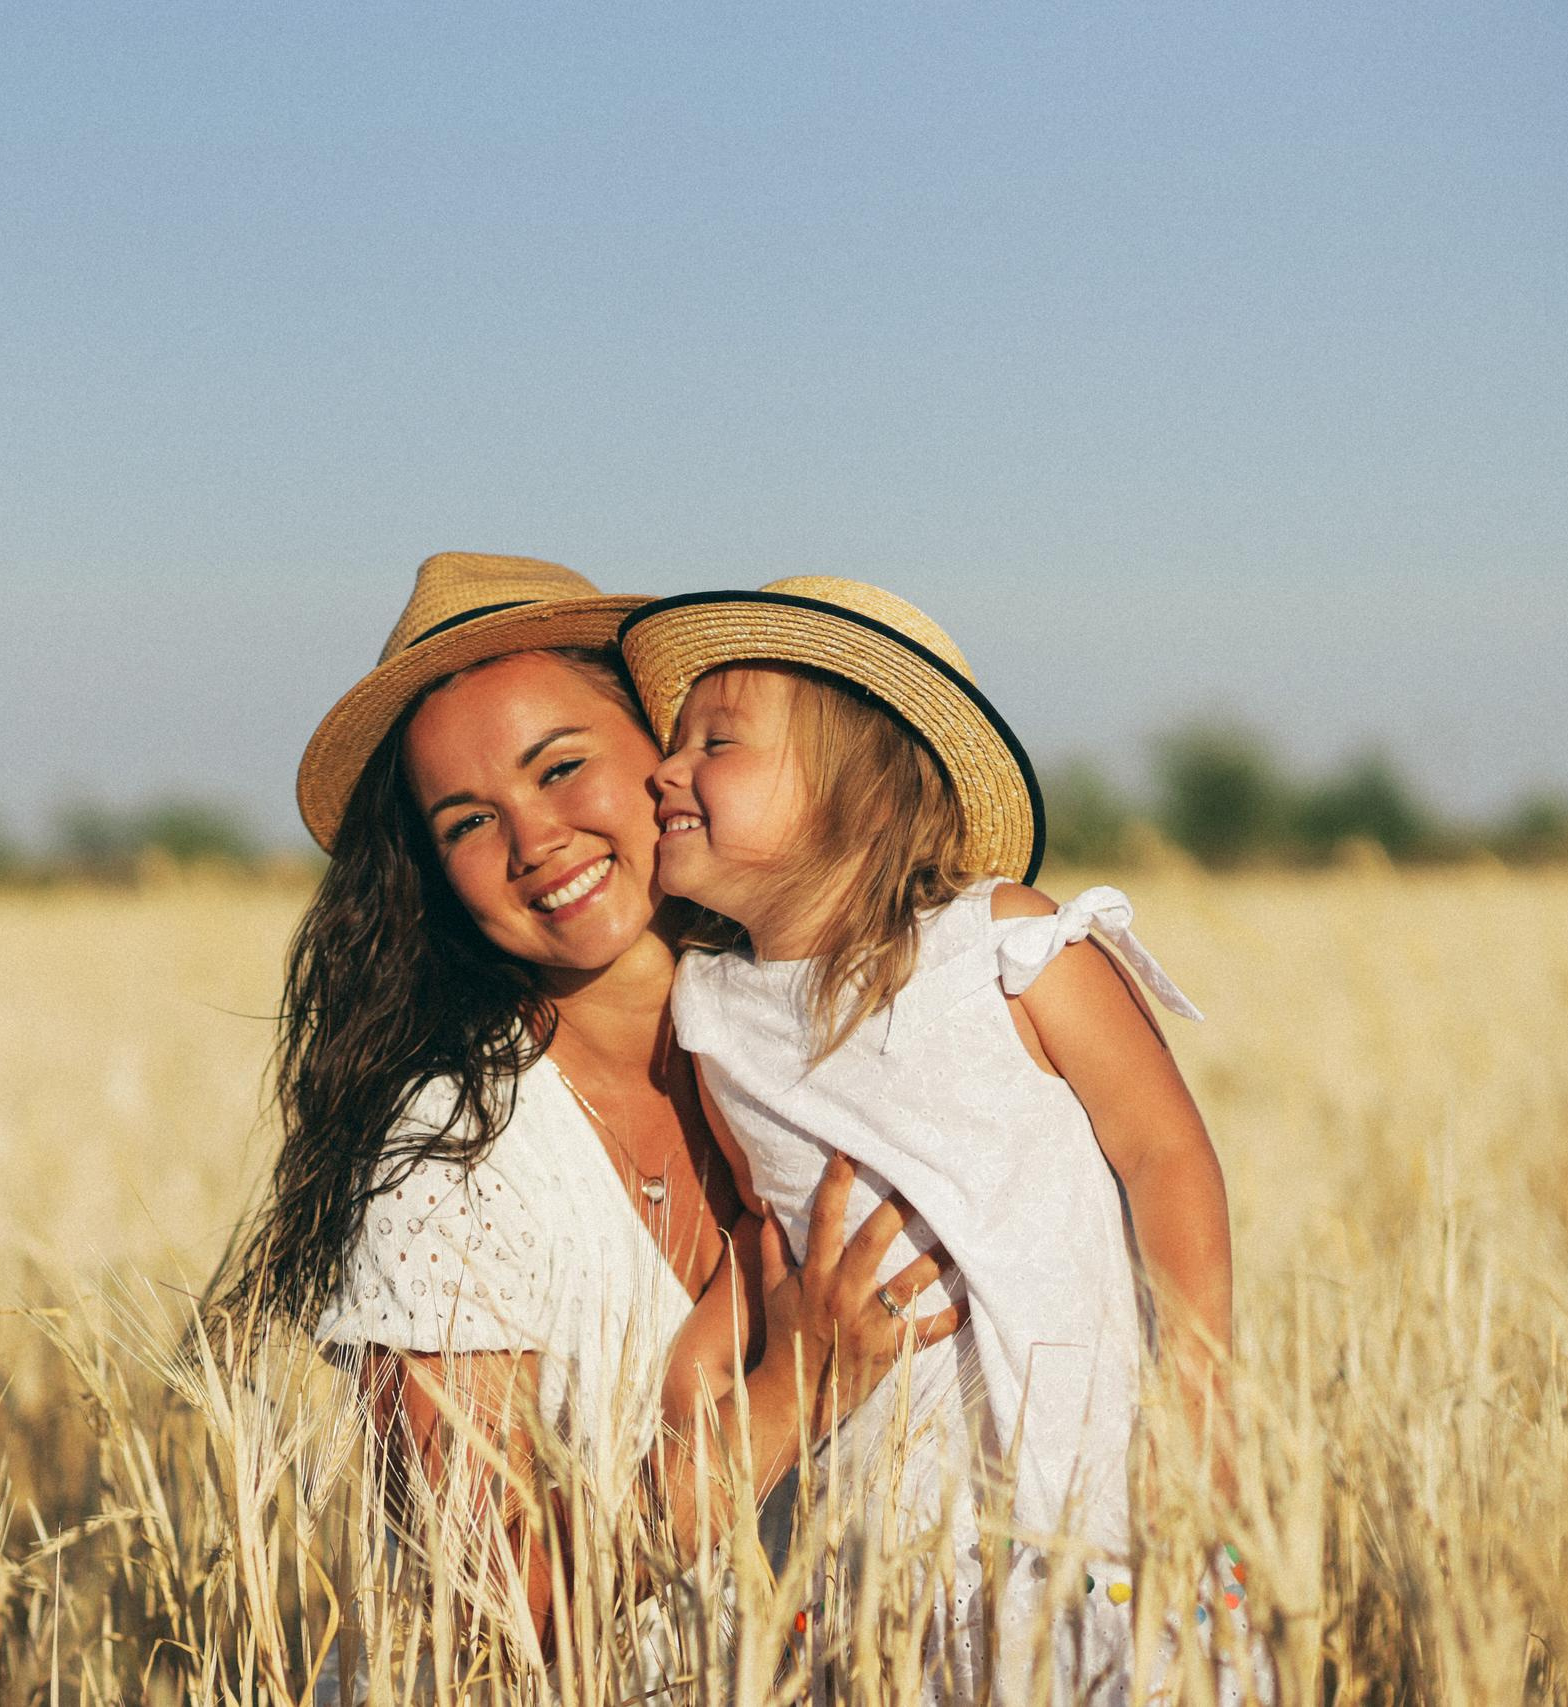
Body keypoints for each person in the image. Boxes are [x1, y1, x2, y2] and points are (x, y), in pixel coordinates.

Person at [213, 553, 961, 1679]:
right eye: (467, 822)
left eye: (561, 767)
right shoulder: (446, 1156)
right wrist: (794, 1388)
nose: (534, 841)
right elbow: (494, 1599)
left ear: (673, 759)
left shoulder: (854, 1052)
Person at [619, 576, 1247, 1702]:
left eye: (716, 742)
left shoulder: (1003, 944)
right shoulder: (712, 1014)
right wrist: (708, 1361)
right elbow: (773, 1227)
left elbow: (1165, 1153)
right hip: (884, 1486)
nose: (665, 768)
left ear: (857, 797)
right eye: (672, 744)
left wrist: (1196, 1399)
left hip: (1085, 1456)